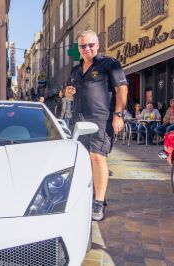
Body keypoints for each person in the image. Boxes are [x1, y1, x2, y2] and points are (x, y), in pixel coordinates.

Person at [66, 30, 128, 221]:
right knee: (84, 159)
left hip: (102, 119)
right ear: (79, 49)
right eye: (83, 46)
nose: (87, 49)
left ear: (98, 45)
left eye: (91, 45)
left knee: (97, 157)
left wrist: (118, 115)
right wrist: (68, 92)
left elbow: (121, 89)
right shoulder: (76, 70)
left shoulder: (109, 64)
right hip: (79, 121)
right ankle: (89, 196)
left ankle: (99, 203)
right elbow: (69, 93)